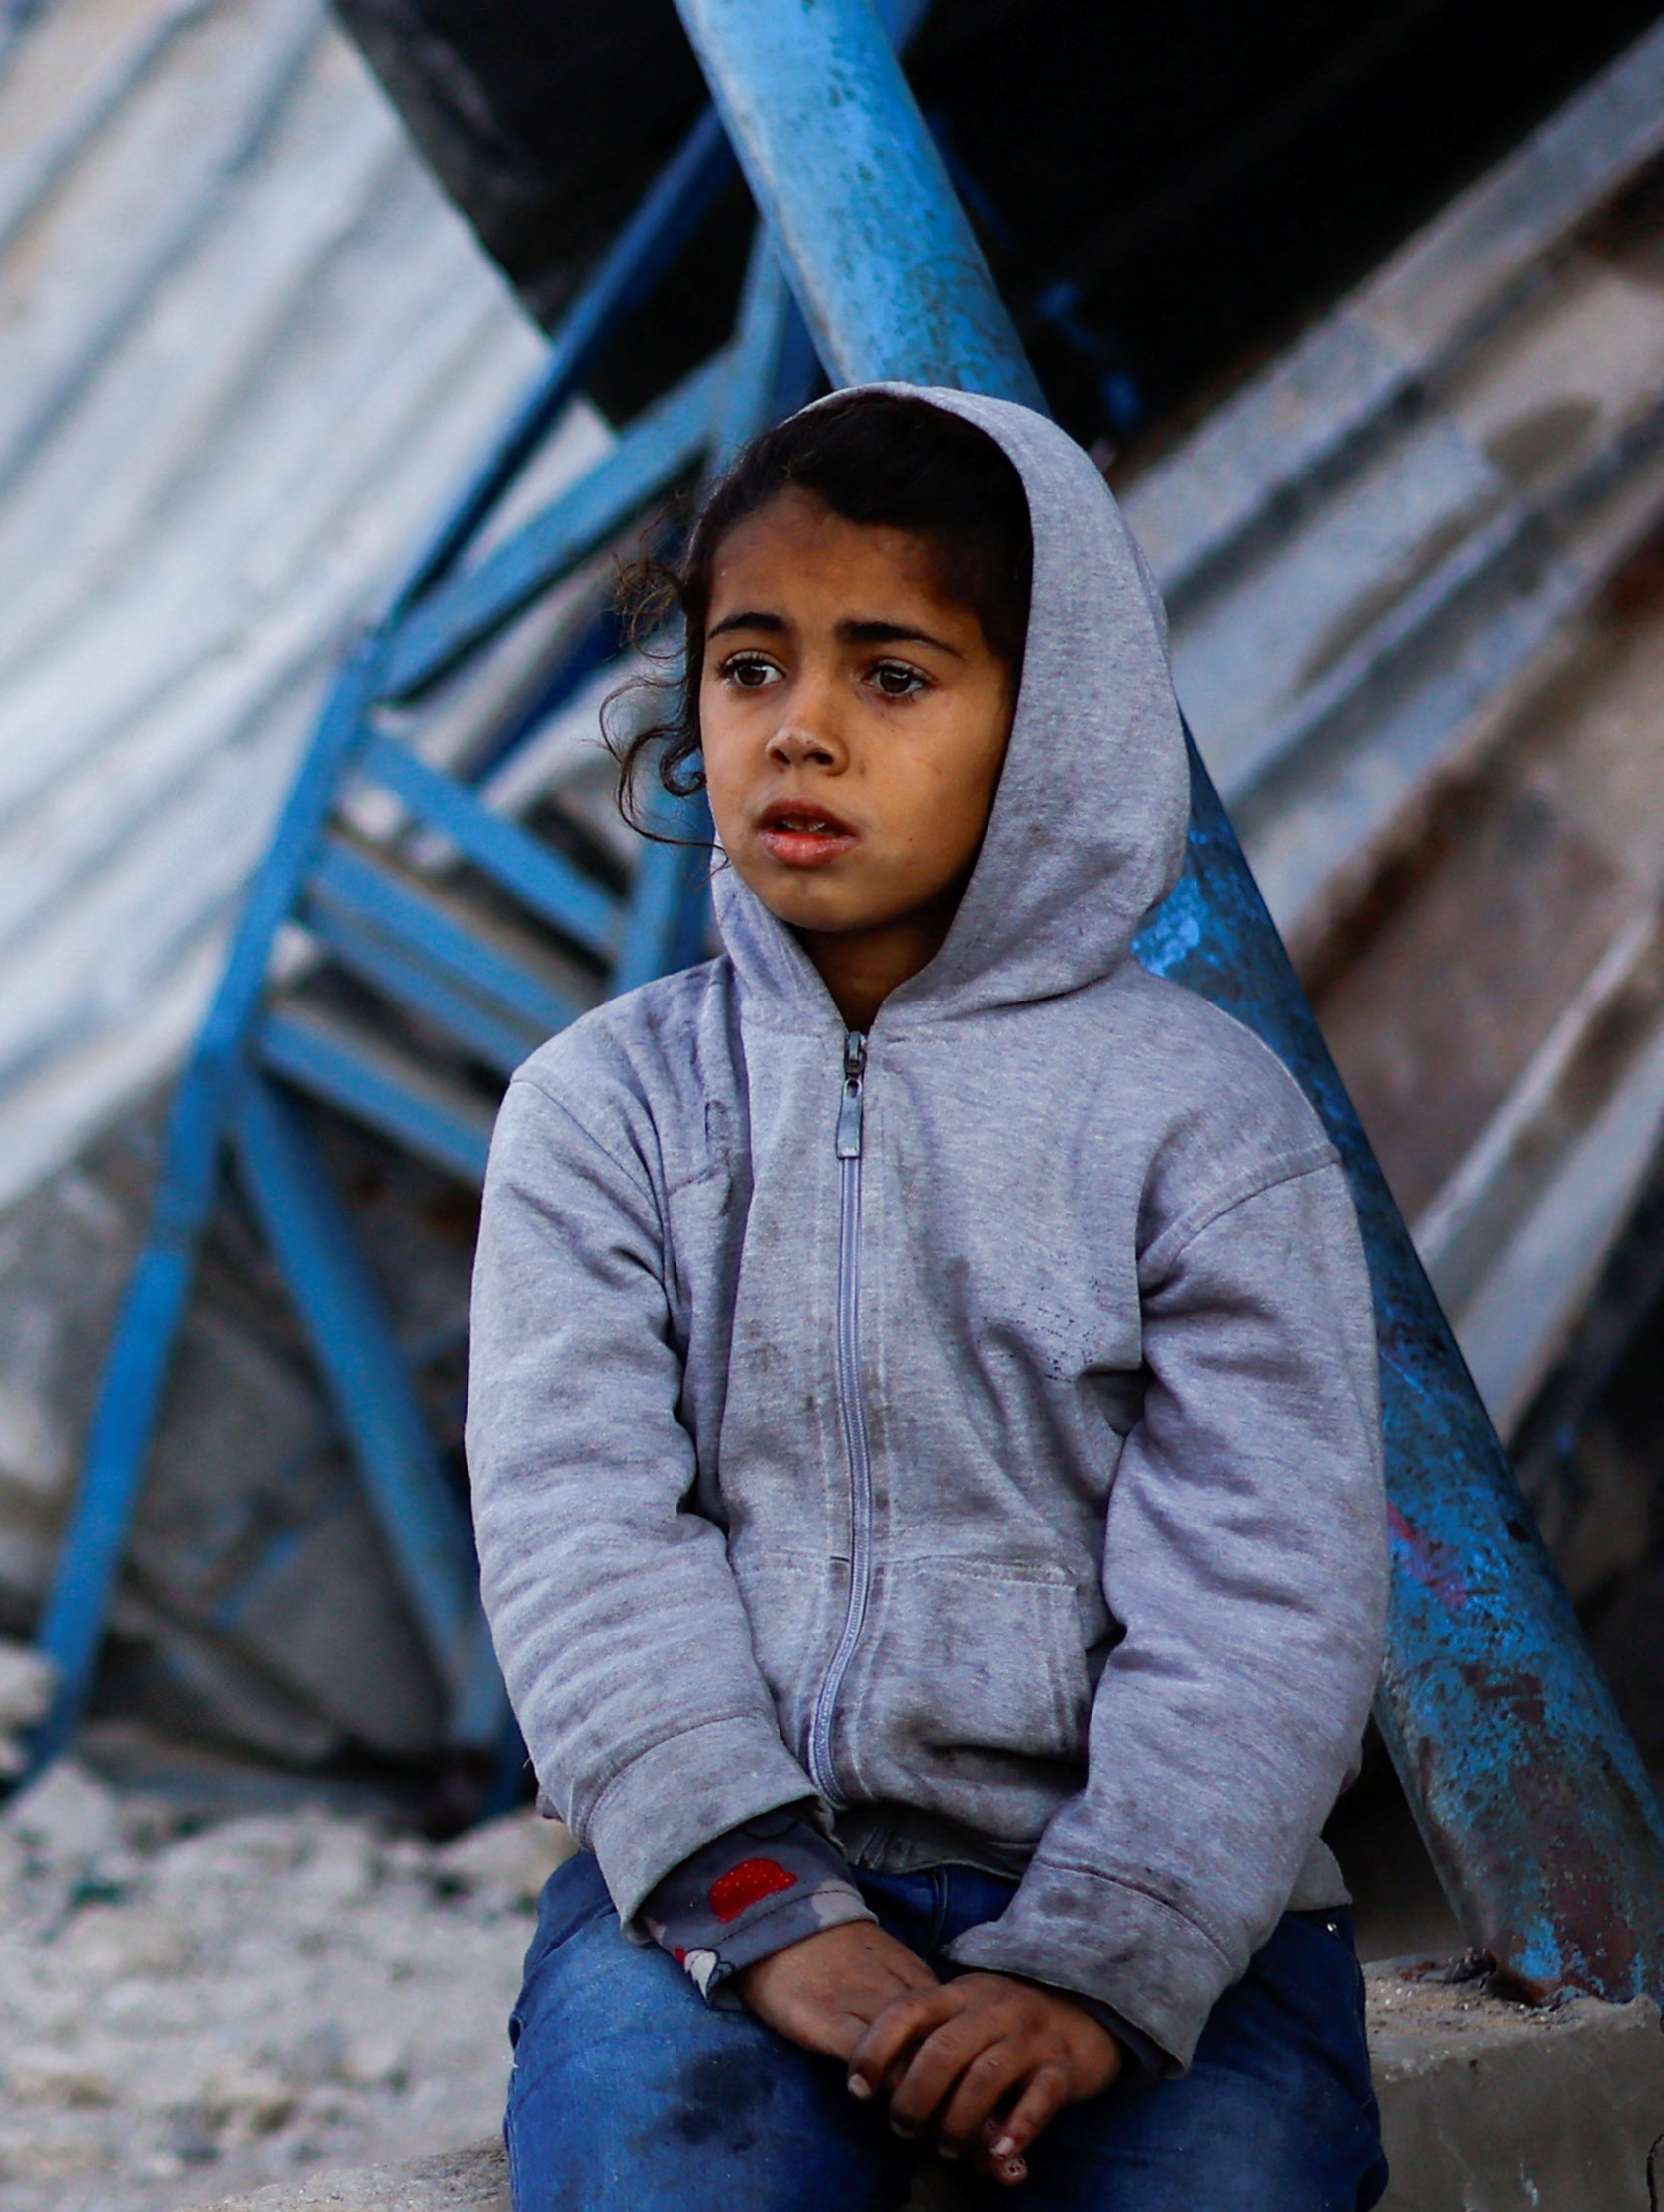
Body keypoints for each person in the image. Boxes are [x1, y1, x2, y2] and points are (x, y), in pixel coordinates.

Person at [464, 384, 1390, 2209]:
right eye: (749, 668)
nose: (799, 730)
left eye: (892, 676)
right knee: (664, 2169)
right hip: (715, 1895)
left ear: (1048, 727)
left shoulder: (1199, 1121)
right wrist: (760, 1900)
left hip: (1168, 1909)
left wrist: (1098, 1963)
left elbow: (1269, 1586)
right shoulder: (603, 1110)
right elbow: (576, 1532)